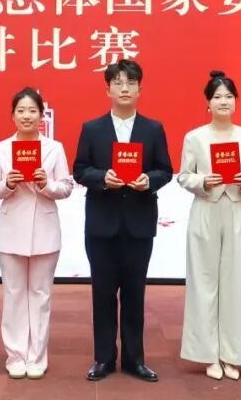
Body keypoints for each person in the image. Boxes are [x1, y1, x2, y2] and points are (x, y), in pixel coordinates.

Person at [73, 60, 173, 382]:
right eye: (118, 82)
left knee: (134, 294)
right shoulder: (92, 129)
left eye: (131, 82)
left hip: (139, 223)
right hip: (102, 224)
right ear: (108, 90)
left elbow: (165, 170)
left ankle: (134, 359)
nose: (125, 88)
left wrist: (148, 180)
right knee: (102, 294)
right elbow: (80, 170)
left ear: (140, 89)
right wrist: (103, 178)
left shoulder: (153, 129)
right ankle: (103, 358)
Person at [0, 87, 73, 379]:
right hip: (11, 230)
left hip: (45, 229)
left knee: (40, 294)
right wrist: (7, 184)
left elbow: (66, 187)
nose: (26, 116)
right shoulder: (1, 149)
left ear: (41, 116)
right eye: (21, 111)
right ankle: (16, 355)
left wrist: (46, 184)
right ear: (12, 115)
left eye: (32, 111)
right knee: (13, 294)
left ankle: (37, 356)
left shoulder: (54, 148)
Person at [177, 71, 241, 381]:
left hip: (236, 210)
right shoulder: (195, 137)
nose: (223, 101)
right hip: (206, 210)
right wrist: (203, 181)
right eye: (217, 97)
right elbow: (184, 176)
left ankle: (232, 355)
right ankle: (207, 354)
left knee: (236, 282)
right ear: (208, 104)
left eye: (228, 96)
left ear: (236, 101)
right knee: (203, 282)